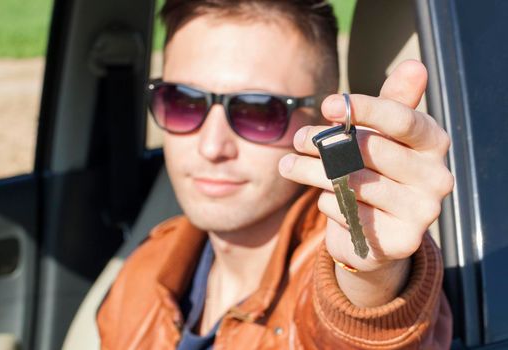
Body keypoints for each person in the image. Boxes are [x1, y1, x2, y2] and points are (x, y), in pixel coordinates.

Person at [97, 0, 454, 348]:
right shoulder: (143, 272)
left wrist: (373, 276)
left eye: (258, 111)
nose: (211, 146)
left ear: (322, 122)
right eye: (183, 102)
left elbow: (349, 329)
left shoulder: (335, 263)